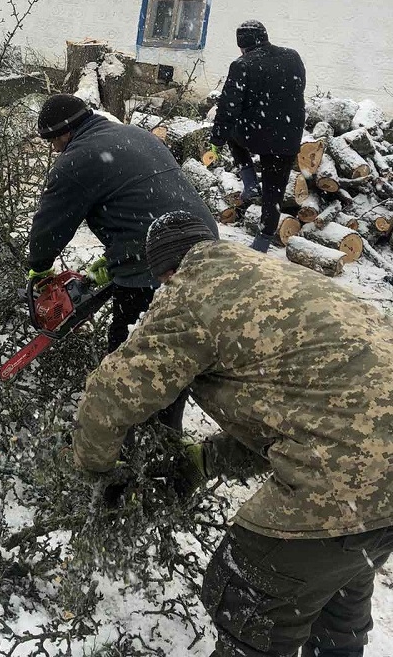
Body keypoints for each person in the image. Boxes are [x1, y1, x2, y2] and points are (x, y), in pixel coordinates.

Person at [73, 210, 393, 657]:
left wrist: (93, 469)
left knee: (248, 594)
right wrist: (203, 462)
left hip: (346, 477)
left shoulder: (192, 293)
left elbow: (111, 397)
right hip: (375, 487)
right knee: (333, 602)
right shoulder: (277, 276)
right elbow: (307, 413)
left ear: (167, 270)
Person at [27, 94, 219, 431]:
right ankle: (165, 429)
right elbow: (143, 195)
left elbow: (50, 225)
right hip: (205, 245)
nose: (55, 151)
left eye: (53, 143)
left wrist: (40, 267)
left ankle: (130, 435)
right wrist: (114, 256)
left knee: (128, 351)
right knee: (175, 344)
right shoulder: (135, 134)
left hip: (156, 260)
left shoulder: (77, 159)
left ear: (61, 135)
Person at [211, 20, 306, 252]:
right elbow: (298, 88)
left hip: (255, 135)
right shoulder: (292, 56)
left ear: (242, 45)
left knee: (231, 132)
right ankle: (263, 240)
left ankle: (250, 180)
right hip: (288, 136)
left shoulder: (242, 64)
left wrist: (217, 140)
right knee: (274, 193)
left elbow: (228, 107)